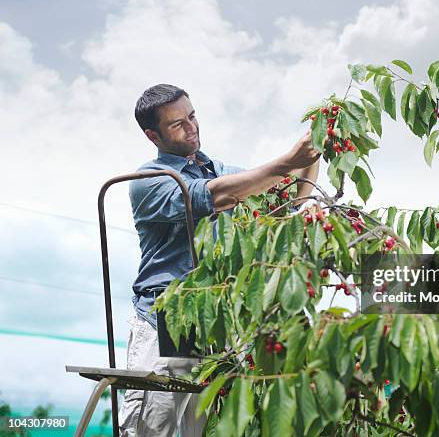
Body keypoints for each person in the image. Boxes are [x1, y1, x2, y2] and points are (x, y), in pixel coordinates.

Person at [119, 84, 320, 436]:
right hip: (165, 319)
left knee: (207, 427)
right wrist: (289, 161)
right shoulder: (149, 180)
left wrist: (317, 149)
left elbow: (289, 198)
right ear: (153, 135)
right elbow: (216, 196)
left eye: (192, 116)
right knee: (152, 426)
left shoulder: (220, 169)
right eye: (177, 124)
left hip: (215, 322)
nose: (191, 127)